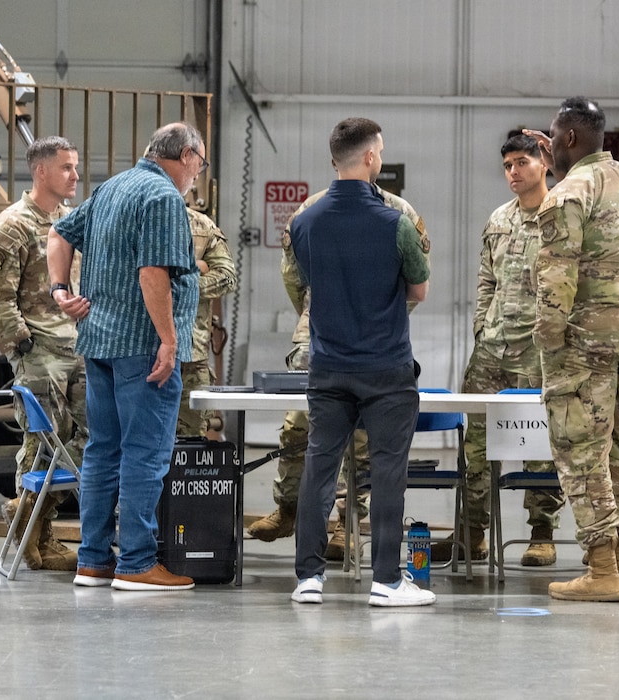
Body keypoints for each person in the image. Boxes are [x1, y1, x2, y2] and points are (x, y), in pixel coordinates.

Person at [285, 117, 434, 606]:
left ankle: (309, 578)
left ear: (336, 157)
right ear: (371, 157)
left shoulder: (303, 222)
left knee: (319, 467)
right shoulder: (397, 222)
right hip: (386, 367)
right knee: (388, 472)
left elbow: (306, 281)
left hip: (327, 365)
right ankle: (387, 582)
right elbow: (419, 289)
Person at [47, 122, 202, 591]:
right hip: (143, 348)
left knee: (103, 452)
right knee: (145, 454)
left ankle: (93, 560)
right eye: (200, 163)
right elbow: (152, 272)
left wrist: (59, 289)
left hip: (100, 343)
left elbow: (59, 232)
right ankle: (136, 563)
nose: (199, 172)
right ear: (187, 155)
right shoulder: (163, 198)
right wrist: (169, 340)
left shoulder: (113, 187)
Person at [248, 184, 430, 563]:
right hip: (320, 331)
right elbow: (293, 275)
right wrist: (325, 313)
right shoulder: (313, 208)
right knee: (299, 425)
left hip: (376, 337)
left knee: (362, 439)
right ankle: (287, 509)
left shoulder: (400, 212)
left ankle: (346, 526)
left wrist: (381, 319)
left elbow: (415, 283)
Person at [524, 97, 619, 602]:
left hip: (586, 339)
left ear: (570, 139)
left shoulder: (568, 192)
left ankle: (600, 571)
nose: (549, 143)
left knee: (580, 453)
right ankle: (618, 561)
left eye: (554, 136)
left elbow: (558, 273)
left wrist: (548, 337)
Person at [430, 133, 564, 566]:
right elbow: (486, 281)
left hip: (540, 351)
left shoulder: (562, 217)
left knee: (540, 446)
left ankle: (541, 533)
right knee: (477, 446)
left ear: (544, 162)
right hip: (492, 352)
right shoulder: (498, 220)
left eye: (522, 162)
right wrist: (481, 327)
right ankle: (472, 532)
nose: (513, 172)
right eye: (507, 165)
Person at [0, 136, 87, 572]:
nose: (75, 175)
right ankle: (36, 535)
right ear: (41, 171)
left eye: (75, 166)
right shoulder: (12, 225)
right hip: (38, 350)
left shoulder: (70, 221)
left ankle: (28, 513)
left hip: (76, 347)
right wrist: (22, 347)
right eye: (66, 167)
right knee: (44, 439)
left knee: (89, 438)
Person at [176, 207, 238, 437]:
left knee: (190, 445)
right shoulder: (132, 216)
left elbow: (227, 277)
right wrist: (198, 268)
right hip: (139, 357)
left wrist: (182, 284)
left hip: (192, 356)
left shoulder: (201, 225)